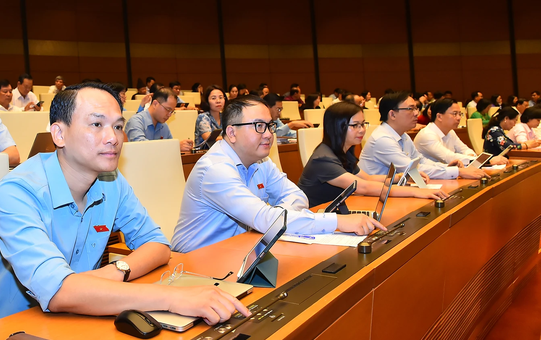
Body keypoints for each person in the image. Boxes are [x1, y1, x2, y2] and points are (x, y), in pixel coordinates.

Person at [0, 83, 250, 327]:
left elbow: (158, 246)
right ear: (59, 134)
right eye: (96, 124)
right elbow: (58, 292)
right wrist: (174, 298)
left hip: (77, 319)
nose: (113, 138)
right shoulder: (16, 191)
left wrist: (112, 274)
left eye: (117, 126)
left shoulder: (111, 181)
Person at [171, 96, 385, 253]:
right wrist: (337, 222)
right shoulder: (215, 169)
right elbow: (266, 220)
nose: (268, 134)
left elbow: (298, 196)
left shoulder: (261, 160)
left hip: (243, 250)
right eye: (259, 126)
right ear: (231, 132)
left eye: (270, 126)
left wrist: (276, 216)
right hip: (196, 261)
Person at [298, 103, 448, 208]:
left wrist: (399, 177)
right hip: (318, 216)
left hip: (339, 212)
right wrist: (418, 192)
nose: (362, 130)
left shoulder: (344, 152)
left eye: (363, 124)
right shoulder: (323, 158)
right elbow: (363, 187)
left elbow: (367, 178)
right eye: (355, 125)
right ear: (338, 127)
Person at [359, 92, 487, 180]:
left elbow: (420, 162)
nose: (416, 113)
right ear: (392, 114)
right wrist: (459, 172)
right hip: (372, 198)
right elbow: (411, 170)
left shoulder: (403, 136)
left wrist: (446, 167)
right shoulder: (383, 139)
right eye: (410, 109)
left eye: (416, 108)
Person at [415, 99, 507, 166]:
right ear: (439, 116)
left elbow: (465, 150)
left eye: (460, 114)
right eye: (454, 114)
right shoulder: (427, 135)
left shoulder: (450, 132)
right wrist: (488, 160)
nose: (459, 118)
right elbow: (449, 157)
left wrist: (471, 156)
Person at [125, 88, 193, 152]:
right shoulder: (136, 121)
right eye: (168, 109)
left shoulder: (164, 125)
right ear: (155, 104)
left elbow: (169, 145)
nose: (169, 115)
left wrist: (182, 146)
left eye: (172, 111)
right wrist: (175, 146)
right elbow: (141, 148)